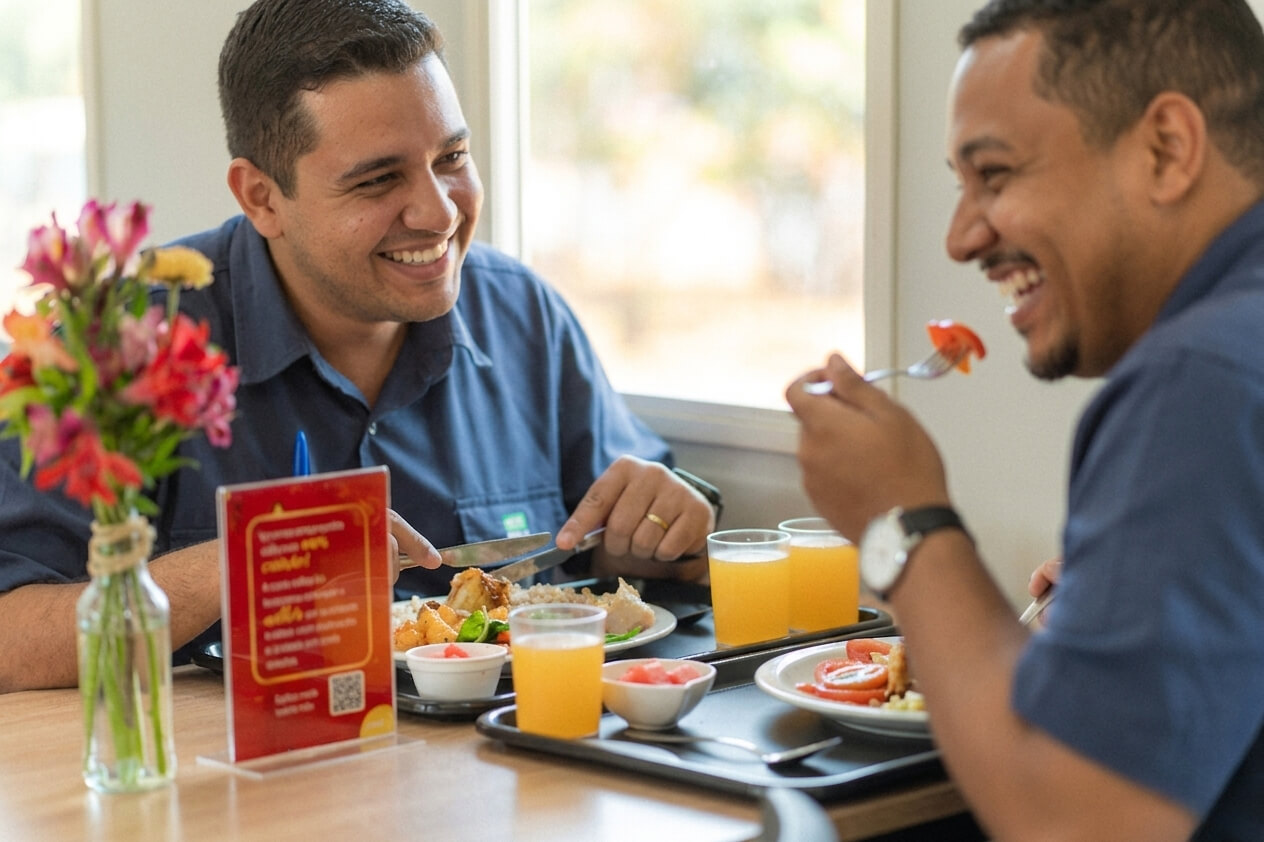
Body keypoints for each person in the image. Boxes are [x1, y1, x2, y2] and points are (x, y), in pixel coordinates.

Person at [0, 0, 717, 693]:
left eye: (452, 157)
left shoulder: (523, 313)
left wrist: (662, 534)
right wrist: (248, 562)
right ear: (261, 198)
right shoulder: (116, 351)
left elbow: (634, 544)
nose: (438, 212)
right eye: (378, 180)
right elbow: (10, 635)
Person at [786, 0, 1264, 838]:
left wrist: (903, 519)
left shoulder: (1196, 382)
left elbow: (1075, 825)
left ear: (1167, 149)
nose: (960, 237)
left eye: (995, 175)